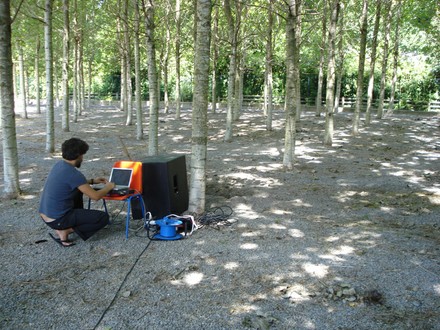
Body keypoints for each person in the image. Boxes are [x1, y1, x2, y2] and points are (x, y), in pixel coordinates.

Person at [39, 138, 116, 247]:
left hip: (46, 215)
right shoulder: (74, 174)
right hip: (58, 220)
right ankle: (66, 230)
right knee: (103, 218)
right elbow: (95, 196)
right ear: (78, 155)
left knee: (77, 190)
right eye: (82, 155)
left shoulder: (59, 165)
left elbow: (71, 182)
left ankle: (67, 225)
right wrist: (109, 187)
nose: (82, 158)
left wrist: (92, 181)